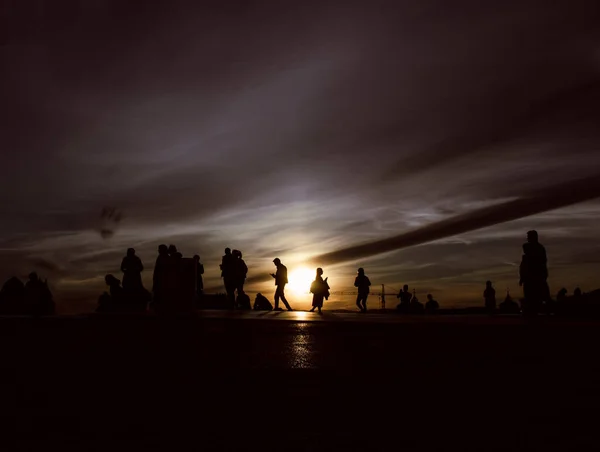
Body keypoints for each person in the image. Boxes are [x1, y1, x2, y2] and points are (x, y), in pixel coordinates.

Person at [519, 230, 549, 317]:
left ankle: (533, 312)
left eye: (529, 236)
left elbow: (542, 263)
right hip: (530, 277)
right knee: (530, 296)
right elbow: (523, 266)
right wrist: (522, 277)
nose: (527, 238)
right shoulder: (533, 249)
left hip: (535, 276)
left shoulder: (538, 249)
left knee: (534, 296)